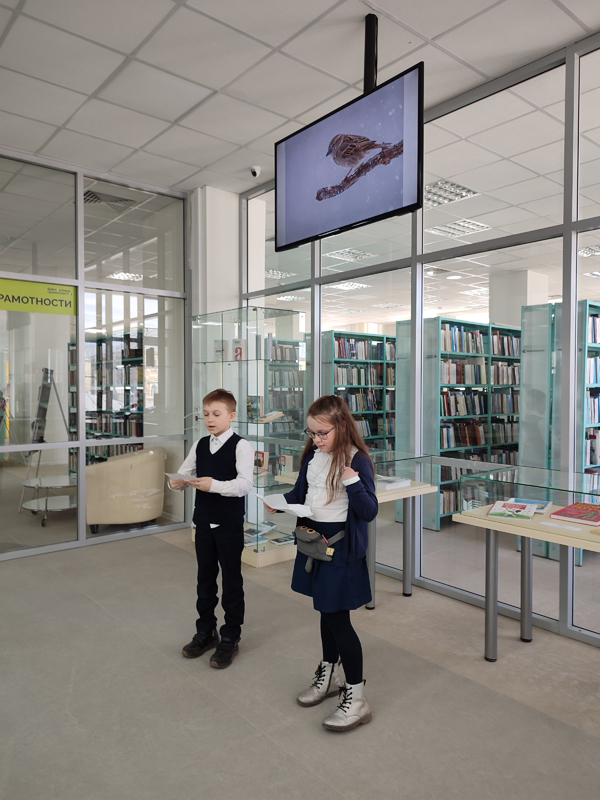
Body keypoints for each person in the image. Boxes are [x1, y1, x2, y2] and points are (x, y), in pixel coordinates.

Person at [266, 395, 378, 731]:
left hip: (339, 550)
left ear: (341, 426)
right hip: (313, 543)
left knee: (338, 619)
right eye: (312, 433)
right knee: (326, 612)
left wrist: (352, 483)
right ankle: (329, 676)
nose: (316, 439)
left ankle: (357, 699)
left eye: (322, 433)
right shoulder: (313, 457)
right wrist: (279, 502)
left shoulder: (358, 461)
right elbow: (302, 494)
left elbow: (369, 511)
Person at [170, 389, 253, 669]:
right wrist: (175, 483)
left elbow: (245, 484)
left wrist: (213, 485)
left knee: (231, 581)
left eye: (216, 414)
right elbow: (185, 472)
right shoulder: (200, 444)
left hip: (229, 523)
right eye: (205, 414)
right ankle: (206, 632)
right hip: (204, 521)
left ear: (232, 416)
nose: (209, 419)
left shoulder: (242, 446)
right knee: (204, 579)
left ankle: (230, 637)